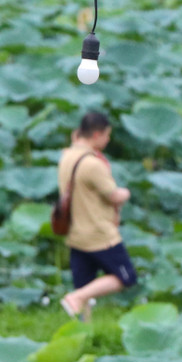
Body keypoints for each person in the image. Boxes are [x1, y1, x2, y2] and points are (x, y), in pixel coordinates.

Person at [57, 111, 137, 318]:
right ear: (96, 135)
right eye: (106, 135)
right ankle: (76, 296)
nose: (108, 139)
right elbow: (113, 195)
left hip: (76, 234)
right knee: (126, 277)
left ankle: (85, 332)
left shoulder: (67, 157)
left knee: (84, 283)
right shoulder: (92, 164)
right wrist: (126, 192)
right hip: (99, 235)